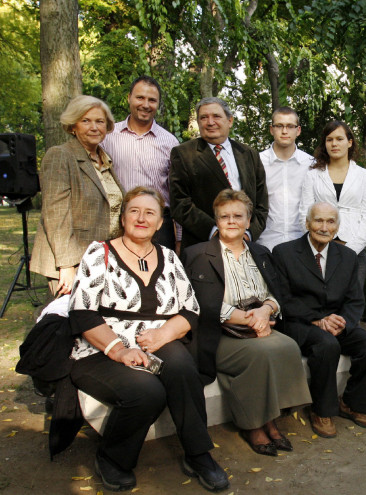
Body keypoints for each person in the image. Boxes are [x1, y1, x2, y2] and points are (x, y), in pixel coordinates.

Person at [68, 187, 228, 493]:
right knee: (147, 391)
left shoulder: (168, 257)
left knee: (182, 367)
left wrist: (163, 333)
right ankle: (112, 458)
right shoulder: (99, 252)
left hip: (155, 340)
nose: (141, 218)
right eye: (134, 211)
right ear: (123, 217)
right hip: (100, 348)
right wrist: (118, 350)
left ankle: (197, 454)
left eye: (150, 213)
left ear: (159, 223)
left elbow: (190, 309)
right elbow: (82, 313)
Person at [183, 189, 311, 457]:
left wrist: (265, 311)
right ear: (216, 220)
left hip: (258, 325)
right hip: (219, 333)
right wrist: (250, 320)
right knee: (261, 354)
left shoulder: (261, 252)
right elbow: (199, 303)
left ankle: (270, 419)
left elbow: (278, 295)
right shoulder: (197, 254)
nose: (231, 221)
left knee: (287, 346)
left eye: (237, 215)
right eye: (224, 216)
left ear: (248, 220)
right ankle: (252, 425)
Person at [272, 202, 366, 439]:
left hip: (335, 322)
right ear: (307, 223)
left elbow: (355, 301)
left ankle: (352, 404)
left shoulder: (348, 256)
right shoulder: (284, 253)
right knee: (326, 345)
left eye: (330, 221)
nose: (324, 227)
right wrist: (317, 320)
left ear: (337, 226)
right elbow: (283, 299)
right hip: (300, 323)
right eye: (318, 221)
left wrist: (341, 322)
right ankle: (321, 410)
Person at [30, 95, 124, 296]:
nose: (94, 127)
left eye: (100, 121)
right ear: (73, 126)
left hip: (101, 257)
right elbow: (56, 215)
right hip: (72, 259)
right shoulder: (60, 155)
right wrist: (66, 266)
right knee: (69, 321)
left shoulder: (104, 160)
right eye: (86, 121)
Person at [170, 97, 269, 251]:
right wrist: (216, 232)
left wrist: (248, 234)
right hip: (203, 246)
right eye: (204, 117)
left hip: (244, 245)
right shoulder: (183, 154)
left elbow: (261, 203)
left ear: (230, 121)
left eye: (216, 116)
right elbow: (180, 203)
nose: (210, 122)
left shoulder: (249, 154)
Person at [101, 75, 181, 250]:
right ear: (129, 98)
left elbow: (177, 193)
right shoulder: (107, 137)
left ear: (158, 104)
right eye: (140, 97)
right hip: (116, 222)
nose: (146, 105)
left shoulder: (169, 142)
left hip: (158, 227)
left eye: (152, 100)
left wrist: (179, 238)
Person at [300, 121, 366, 288]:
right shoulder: (312, 176)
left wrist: (351, 250)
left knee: (351, 305)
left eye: (339, 139)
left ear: (349, 142)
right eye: (329, 139)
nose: (334, 143)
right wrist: (318, 244)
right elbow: (304, 213)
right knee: (319, 303)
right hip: (318, 250)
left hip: (354, 249)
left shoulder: (365, 176)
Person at [256, 106, 314, 251]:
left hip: (302, 244)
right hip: (264, 244)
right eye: (279, 126)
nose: (284, 131)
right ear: (271, 129)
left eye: (290, 126)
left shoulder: (311, 164)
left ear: (298, 130)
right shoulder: (257, 162)